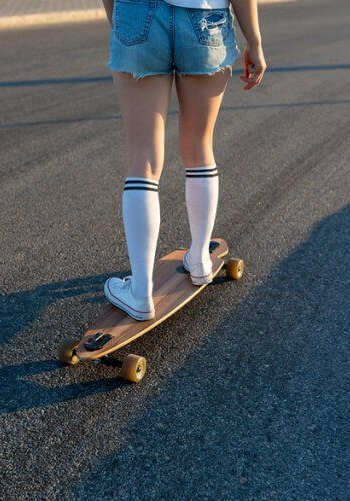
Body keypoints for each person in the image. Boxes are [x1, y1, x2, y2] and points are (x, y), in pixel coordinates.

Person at [101, 0, 266, 321]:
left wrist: (121, 22)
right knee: (200, 147)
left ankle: (140, 293)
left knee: (143, 160)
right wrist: (255, 43)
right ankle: (201, 260)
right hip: (205, 18)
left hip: (136, 13)